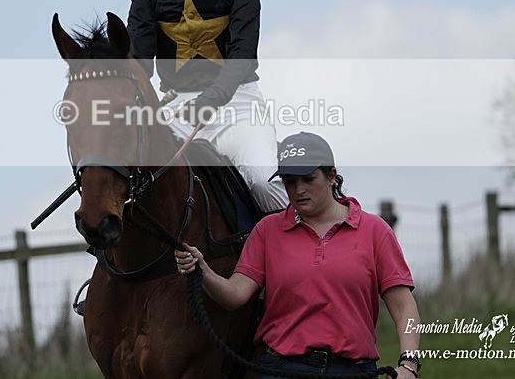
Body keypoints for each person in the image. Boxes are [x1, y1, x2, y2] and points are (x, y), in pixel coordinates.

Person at [174, 132, 423, 378]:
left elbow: (403, 307)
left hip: (353, 370)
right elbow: (235, 295)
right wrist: (202, 270)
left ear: (331, 176)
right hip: (280, 370)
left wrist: (408, 363)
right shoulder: (267, 230)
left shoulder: (374, 231)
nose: (298, 190)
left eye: (308, 179)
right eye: (290, 182)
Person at [127, 0, 288, 213]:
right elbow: (139, 65)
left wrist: (211, 99)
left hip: (237, 104)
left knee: (264, 184)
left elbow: (242, 56)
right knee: (129, 178)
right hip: (175, 110)